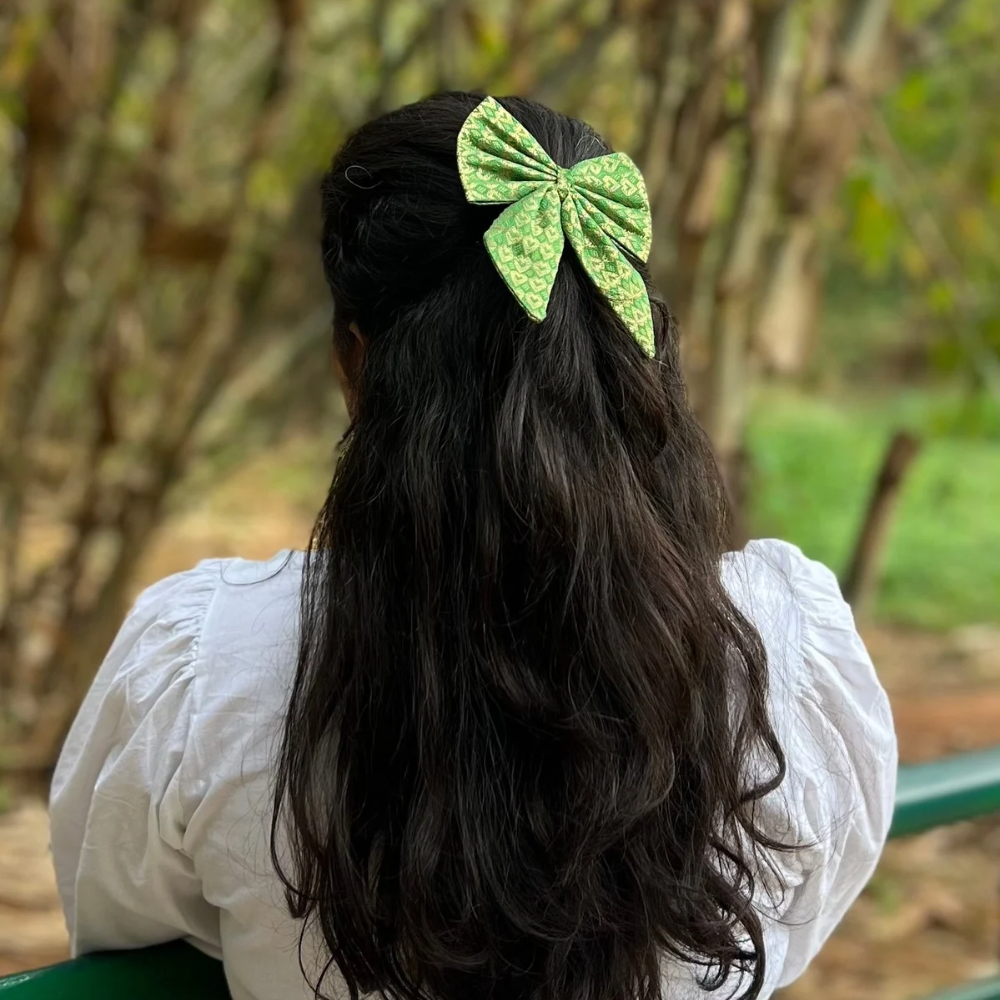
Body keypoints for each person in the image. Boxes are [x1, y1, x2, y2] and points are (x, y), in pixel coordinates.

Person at [49, 92, 897, 1000]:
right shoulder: (789, 651)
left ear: (357, 361)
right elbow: (800, 908)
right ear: (631, 350)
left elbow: (126, 931)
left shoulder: (204, 666)